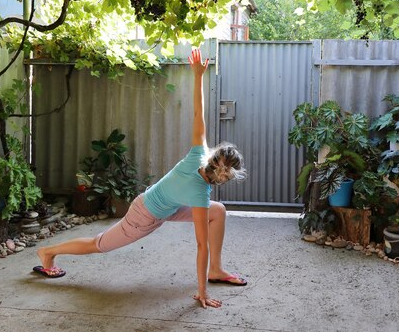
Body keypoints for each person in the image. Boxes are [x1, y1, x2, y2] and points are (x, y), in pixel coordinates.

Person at [34, 48, 247, 309]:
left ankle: (216, 270)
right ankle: (48, 252)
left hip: (167, 206)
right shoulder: (199, 195)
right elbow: (201, 245)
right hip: (144, 215)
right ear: (224, 177)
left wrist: (198, 75)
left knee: (219, 211)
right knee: (98, 244)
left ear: (213, 157)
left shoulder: (198, 154)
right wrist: (201, 293)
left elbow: (197, 115)